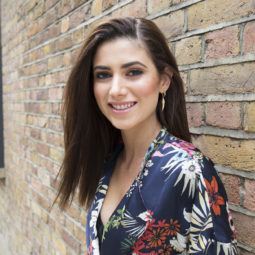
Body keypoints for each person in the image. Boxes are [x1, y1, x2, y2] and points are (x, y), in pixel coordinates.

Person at [53, 17, 238, 254]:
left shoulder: (189, 170)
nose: (116, 89)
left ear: (163, 80)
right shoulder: (107, 160)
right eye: (103, 75)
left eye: (133, 72)